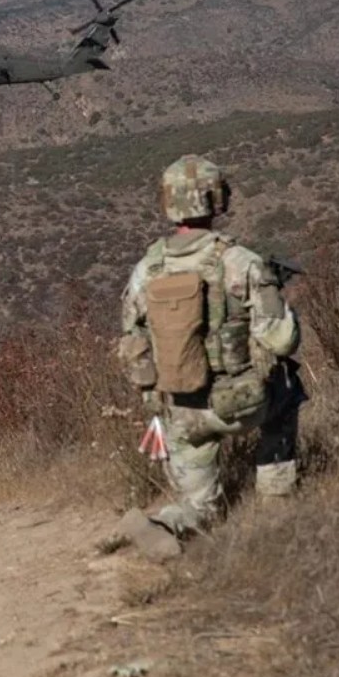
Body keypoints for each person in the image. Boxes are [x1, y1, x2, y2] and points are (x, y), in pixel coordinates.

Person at [117, 155, 303, 540]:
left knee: (199, 505)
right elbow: (281, 340)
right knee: (286, 387)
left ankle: (170, 523)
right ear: (217, 199)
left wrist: (154, 396)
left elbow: (132, 343)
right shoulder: (239, 262)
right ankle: (276, 500)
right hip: (242, 402)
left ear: (168, 202)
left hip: (181, 413)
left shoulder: (146, 270)